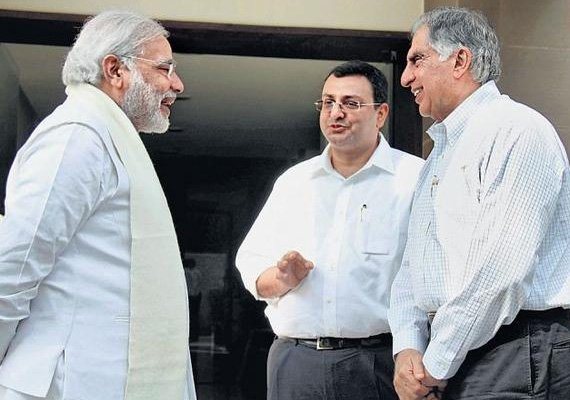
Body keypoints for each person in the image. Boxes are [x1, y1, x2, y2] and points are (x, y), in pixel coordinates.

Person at [0, 11, 196, 400]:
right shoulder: (77, 137)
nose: (177, 84)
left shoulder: (105, 135)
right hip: (68, 382)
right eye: (164, 68)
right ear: (115, 69)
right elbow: (14, 266)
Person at [388, 6, 570, 400]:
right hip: (454, 353)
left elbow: (501, 272)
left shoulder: (517, 130)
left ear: (460, 61)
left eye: (417, 60)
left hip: (514, 351)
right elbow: (411, 269)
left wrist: (435, 365)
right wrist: (408, 349)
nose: (405, 78)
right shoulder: (437, 156)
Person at [236, 60, 424, 400]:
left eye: (350, 103)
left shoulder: (414, 179)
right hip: (297, 362)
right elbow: (251, 266)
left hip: (378, 362)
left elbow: (432, 275)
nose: (336, 113)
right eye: (328, 102)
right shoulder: (294, 182)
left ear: (380, 114)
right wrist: (283, 278)